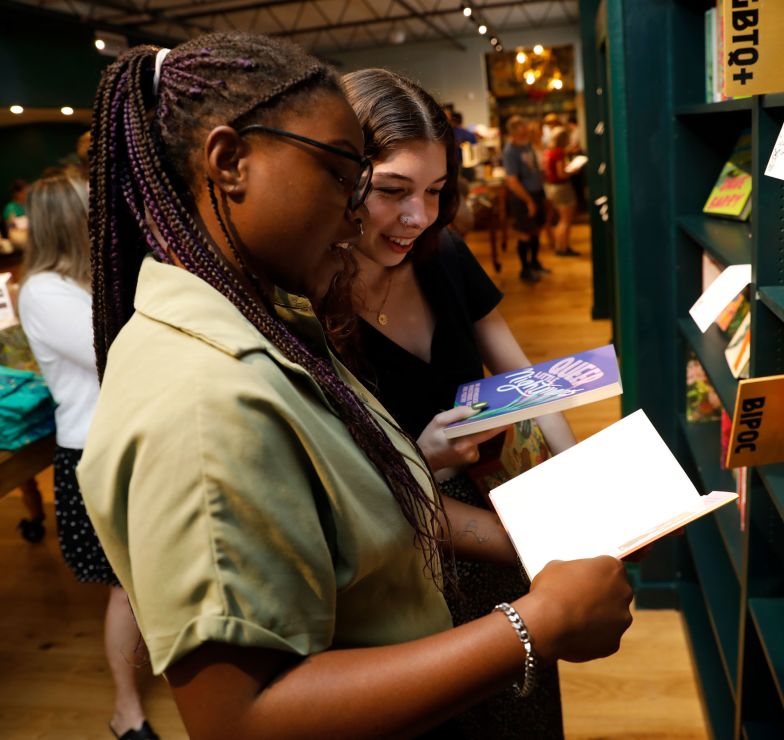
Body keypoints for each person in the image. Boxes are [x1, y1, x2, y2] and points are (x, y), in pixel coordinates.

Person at [77, 33, 633, 739]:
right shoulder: (203, 403)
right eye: (345, 176)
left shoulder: (272, 318)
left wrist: (533, 546)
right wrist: (535, 623)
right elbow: (241, 718)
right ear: (230, 162)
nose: (359, 209)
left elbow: (374, 501)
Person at [342, 67, 583, 737]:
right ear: (340, 180)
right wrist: (421, 457)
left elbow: (522, 379)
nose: (417, 217)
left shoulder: (440, 253)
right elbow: (343, 491)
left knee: (524, 699)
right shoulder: (310, 308)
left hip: (493, 514)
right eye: (392, 192)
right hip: (402, 549)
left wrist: (578, 477)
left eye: (436, 191)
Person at [17, 172, 158, 740]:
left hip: (134, 440)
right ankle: (127, 709)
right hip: (95, 453)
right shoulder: (43, 292)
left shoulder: (85, 281)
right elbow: (118, 351)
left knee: (152, 576)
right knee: (126, 585)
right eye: (93, 212)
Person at [502, 115, 547, 284]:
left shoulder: (527, 144)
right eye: (523, 127)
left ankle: (534, 262)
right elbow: (512, 181)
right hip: (522, 197)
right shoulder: (510, 151)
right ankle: (525, 269)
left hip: (536, 192)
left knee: (536, 230)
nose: (527, 129)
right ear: (515, 131)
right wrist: (529, 201)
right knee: (525, 233)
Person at [542, 127, 581, 257]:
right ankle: (563, 248)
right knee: (565, 220)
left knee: (561, 219)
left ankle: (560, 246)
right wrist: (573, 170)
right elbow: (561, 174)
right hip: (562, 187)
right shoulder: (559, 153)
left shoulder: (548, 151)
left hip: (552, 187)